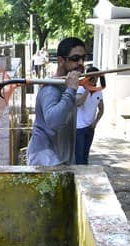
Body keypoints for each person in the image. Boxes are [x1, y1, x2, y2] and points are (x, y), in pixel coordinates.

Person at [26, 37, 85, 166]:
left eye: (83, 58)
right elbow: (54, 121)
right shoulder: (50, 90)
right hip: (45, 160)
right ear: (61, 61)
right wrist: (71, 90)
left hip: (58, 160)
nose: (81, 63)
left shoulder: (66, 87)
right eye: (75, 58)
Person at [75, 66, 106, 165]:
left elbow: (101, 109)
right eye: (92, 77)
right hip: (79, 127)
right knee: (78, 156)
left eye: (96, 77)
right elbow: (78, 103)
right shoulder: (80, 88)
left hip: (90, 127)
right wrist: (87, 88)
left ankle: (84, 176)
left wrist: (95, 122)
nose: (95, 79)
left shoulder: (98, 91)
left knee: (85, 155)